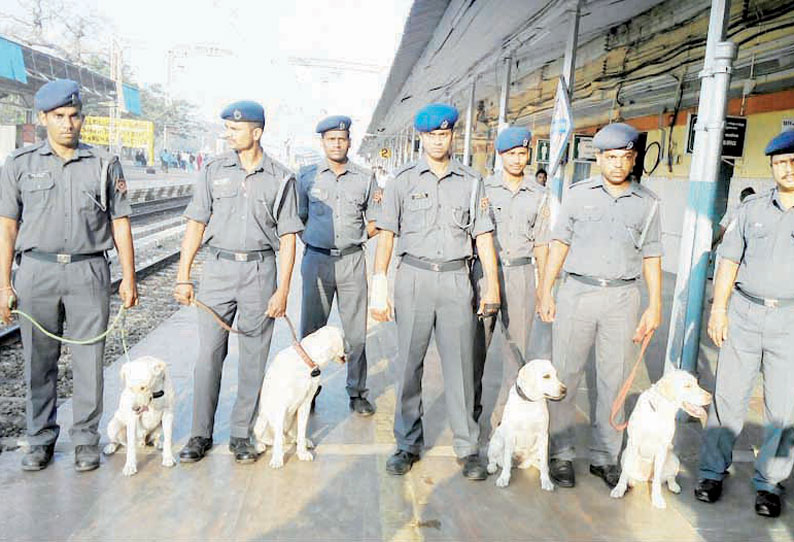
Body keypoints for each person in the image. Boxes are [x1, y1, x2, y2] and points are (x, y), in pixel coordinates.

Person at [0, 79, 138, 472]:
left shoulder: (104, 164)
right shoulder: (20, 165)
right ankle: (40, 439)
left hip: (87, 271)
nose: (67, 124)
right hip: (37, 272)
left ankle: (85, 441)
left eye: (74, 116)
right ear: (44, 119)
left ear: (82, 119)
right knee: (38, 362)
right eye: (59, 116)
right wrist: (3, 283)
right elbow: (6, 226)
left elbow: (121, 223)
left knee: (89, 361)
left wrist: (129, 278)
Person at [371, 103, 500, 480]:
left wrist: (490, 282)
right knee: (409, 365)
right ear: (421, 138)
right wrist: (379, 282)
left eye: (444, 134)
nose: (439, 140)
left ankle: (467, 446)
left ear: (452, 136)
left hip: (456, 280)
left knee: (462, 366)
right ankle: (407, 444)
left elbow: (483, 235)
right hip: (413, 278)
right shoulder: (402, 179)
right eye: (432, 135)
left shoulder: (472, 181)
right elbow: (387, 234)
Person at [173, 100, 303, 464]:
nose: (228, 134)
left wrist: (283, 290)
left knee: (253, 358)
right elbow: (196, 223)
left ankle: (242, 435)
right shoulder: (213, 171)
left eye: (235, 129)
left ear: (256, 132)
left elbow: (289, 236)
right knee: (208, 357)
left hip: (260, 273)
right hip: (217, 271)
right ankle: (200, 434)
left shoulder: (281, 178)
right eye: (227, 128)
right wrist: (184, 275)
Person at [538, 122, 663, 489]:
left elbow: (652, 256)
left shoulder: (649, 203)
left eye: (626, 157)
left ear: (634, 158)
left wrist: (654, 305)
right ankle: (561, 453)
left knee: (616, 380)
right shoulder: (578, 195)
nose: (618, 165)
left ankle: (606, 456)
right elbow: (558, 244)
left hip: (623, 298)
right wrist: (545, 290)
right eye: (611, 157)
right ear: (599, 159)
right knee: (565, 376)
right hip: (577, 293)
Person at [694, 130, 794, 518]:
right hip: (745, 313)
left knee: (784, 408)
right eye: (781, 162)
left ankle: (770, 482)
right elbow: (729, 262)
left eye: (793, 161)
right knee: (728, 399)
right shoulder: (750, 210)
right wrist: (718, 309)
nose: (787, 169)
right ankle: (711, 472)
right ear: (771, 166)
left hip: (789, 319)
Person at [297, 115, 378, 415]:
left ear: (349, 142)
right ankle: (309, 389)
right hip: (316, 260)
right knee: (312, 329)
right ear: (323, 142)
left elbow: (376, 220)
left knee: (356, 331)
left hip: (352, 260)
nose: (337, 144)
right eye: (331, 139)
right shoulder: (306, 177)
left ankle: (357, 392)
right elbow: (299, 216)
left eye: (342, 139)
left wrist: (355, 237)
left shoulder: (365, 178)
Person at [471, 126, 551, 422]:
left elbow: (542, 243)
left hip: (520, 274)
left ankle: (505, 419)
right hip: (484, 275)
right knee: (476, 347)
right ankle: (472, 411)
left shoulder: (539, 195)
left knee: (515, 351)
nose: (518, 159)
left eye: (523, 153)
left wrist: (544, 289)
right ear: (500, 154)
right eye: (512, 154)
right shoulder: (482, 189)